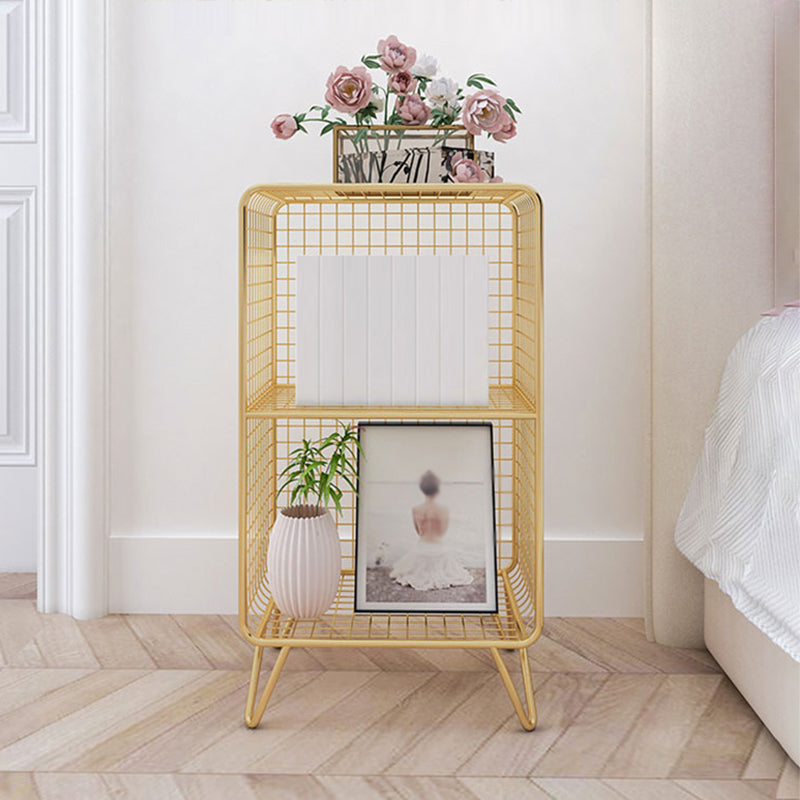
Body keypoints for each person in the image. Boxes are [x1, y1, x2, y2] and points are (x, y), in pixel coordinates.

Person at [389, 470, 474, 591]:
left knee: (406, 568)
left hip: (421, 550)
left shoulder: (416, 509)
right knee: (452, 569)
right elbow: (442, 532)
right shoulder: (444, 509)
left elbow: (419, 532)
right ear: (438, 489)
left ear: (422, 489)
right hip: (439, 550)